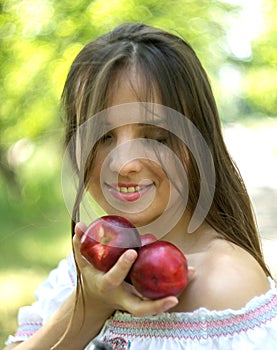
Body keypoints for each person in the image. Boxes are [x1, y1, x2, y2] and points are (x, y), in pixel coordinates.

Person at [4, 22, 277, 350]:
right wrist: (88, 307)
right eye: (102, 137)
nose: (122, 163)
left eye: (155, 136)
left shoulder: (223, 287)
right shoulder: (86, 269)